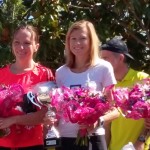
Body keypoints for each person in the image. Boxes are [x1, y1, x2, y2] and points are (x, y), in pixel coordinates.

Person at [54, 20, 119, 150]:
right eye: (73, 39)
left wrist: (97, 121)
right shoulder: (60, 72)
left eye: (82, 38)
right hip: (65, 138)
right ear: (68, 41)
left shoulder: (104, 68)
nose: (77, 43)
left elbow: (115, 110)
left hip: (94, 138)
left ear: (91, 41)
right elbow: (58, 110)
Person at [0, 24, 54, 150]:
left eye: (27, 43)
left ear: (36, 46)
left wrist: (13, 120)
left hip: (33, 144)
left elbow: (46, 113)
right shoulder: (1, 74)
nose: (21, 47)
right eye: (17, 42)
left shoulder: (43, 75)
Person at [100, 37, 150, 150]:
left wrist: (141, 141)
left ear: (121, 58)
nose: (102, 63)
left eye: (105, 58)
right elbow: (107, 125)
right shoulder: (107, 85)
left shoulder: (143, 79)